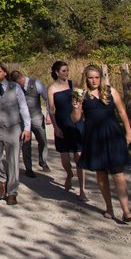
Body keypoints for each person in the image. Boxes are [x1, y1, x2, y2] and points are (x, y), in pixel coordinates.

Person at [72, 65, 131, 222]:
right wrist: (76, 108)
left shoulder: (110, 91)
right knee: (101, 174)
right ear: (85, 78)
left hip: (112, 134)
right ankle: (109, 207)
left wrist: (129, 132)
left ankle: (126, 211)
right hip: (94, 136)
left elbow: (122, 112)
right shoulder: (80, 93)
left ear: (100, 77)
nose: (94, 80)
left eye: (96, 77)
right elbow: (76, 119)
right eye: (90, 77)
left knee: (118, 173)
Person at [0, 62, 31, 206]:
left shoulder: (15, 87)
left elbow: (23, 107)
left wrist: (27, 127)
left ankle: (12, 192)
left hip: (13, 127)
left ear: (4, 73)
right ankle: (2, 179)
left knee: (13, 160)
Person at [48, 60, 87, 201]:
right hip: (62, 124)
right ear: (57, 72)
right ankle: (69, 174)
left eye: (67, 70)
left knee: (79, 157)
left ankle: (82, 191)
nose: (66, 73)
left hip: (75, 122)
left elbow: (80, 99)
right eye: (63, 70)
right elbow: (51, 111)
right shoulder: (52, 89)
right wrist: (56, 127)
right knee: (65, 159)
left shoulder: (72, 84)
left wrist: (81, 100)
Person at [10, 69, 50, 177]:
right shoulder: (14, 87)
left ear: (22, 78)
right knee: (26, 143)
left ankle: (43, 160)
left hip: (36, 117)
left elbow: (47, 98)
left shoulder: (36, 83)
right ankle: (29, 168)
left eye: (19, 83)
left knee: (42, 140)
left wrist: (49, 115)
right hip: (22, 120)